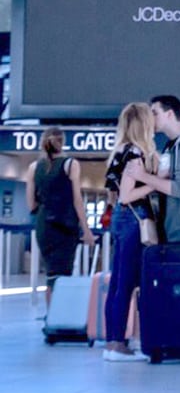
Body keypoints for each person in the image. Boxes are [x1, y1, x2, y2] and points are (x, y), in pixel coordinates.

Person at [102, 102, 158, 361]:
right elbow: (126, 195)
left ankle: (112, 340)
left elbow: (115, 195)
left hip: (120, 221)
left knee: (117, 283)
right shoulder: (135, 153)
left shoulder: (117, 152)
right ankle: (117, 344)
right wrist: (155, 184)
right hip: (135, 220)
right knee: (126, 284)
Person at [25, 126, 97, 304]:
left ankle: (51, 317)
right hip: (65, 226)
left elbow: (31, 204)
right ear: (63, 142)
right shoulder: (70, 164)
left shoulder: (34, 167)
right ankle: (59, 317)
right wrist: (86, 230)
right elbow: (77, 200)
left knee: (51, 273)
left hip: (44, 226)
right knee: (63, 273)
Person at [124, 95, 180, 247]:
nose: (151, 118)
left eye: (155, 113)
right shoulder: (172, 146)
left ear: (169, 114)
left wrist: (142, 176)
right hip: (173, 231)